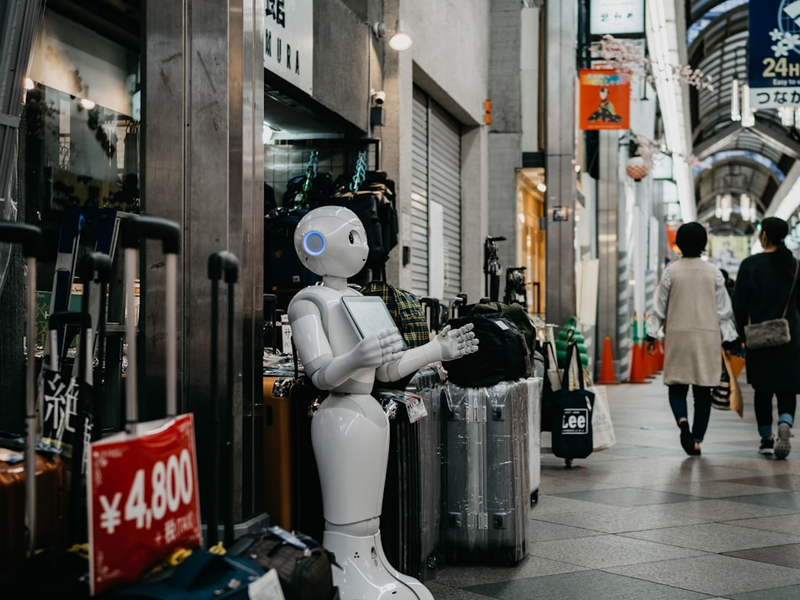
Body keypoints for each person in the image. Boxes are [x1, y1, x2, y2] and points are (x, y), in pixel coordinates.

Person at [287, 205, 478, 600]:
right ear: (316, 243)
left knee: (369, 513)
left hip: (370, 413)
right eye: (353, 237)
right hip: (339, 416)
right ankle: (347, 573)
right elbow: (320, 373)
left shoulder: (359, 298)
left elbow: (389, 369)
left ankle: (375, 563)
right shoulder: (308, 302)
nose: (363, 248)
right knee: (347, 511)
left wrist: (434, 349)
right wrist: (358, 356)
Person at [646, 222, 738, 456]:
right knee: (702, 392)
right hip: (707, 338)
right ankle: (696, 440)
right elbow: (724, 312)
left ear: (679, 242)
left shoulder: (671, 272)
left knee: (677, 386)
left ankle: (682, 422)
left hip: (678, 336)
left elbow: (658, 308)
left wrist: (651, 334)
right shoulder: (714, 272)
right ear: (703, 244)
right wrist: (730, 340)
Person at [732, 217, 800, 459]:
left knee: (762, 390)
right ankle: (785, 421)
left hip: (759, 338)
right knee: (787, 388)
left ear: (764, 236)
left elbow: (739, 305)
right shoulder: (795, 265)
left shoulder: (750, 265)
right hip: (790, 336)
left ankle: (767, 438)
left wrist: (737, 336)